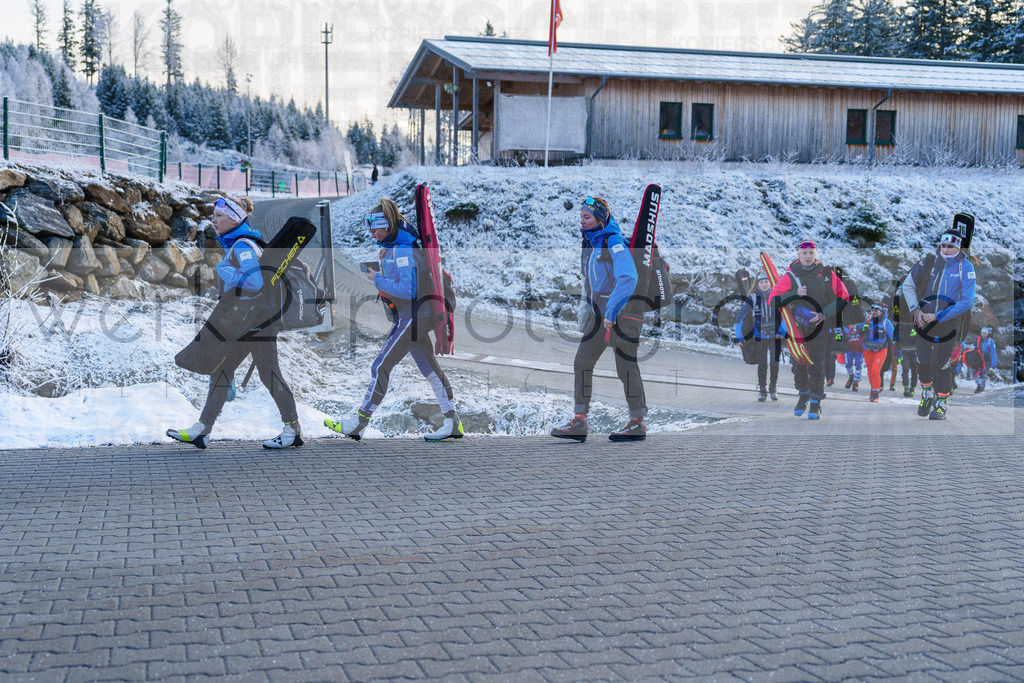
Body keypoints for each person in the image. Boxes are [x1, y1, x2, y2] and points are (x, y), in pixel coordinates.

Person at [167, 196, 302, 450]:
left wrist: (225, 271)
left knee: (269, 374)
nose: (213, 220)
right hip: (249, 322)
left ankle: (293, 429)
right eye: (213, 215)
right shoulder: (244, 242)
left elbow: (256, 283)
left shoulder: (242, 245)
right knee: (223, 370)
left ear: (235, 217)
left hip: (256, 324)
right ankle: (202, 429)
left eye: (218, 216)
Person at [325, 198, 462, 440]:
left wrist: (376, 278)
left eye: (374, 229)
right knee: (429, 368)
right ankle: (452, 423)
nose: (372, 234)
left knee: (380, 366)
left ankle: (358, 423)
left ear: (387, 226)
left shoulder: (402, 251)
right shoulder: (399, 246)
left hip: (413, 317)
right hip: (418, 315)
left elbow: (407, 291)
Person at [551, 196, 647, 442]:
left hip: (621, 314)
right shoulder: (594, 242)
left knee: (625, 367)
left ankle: (637, 422)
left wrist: (612, 311)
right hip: (599, 314)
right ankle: (579, 421)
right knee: (582, 362)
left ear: (600, 219)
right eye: (580, 216)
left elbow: (628, 277)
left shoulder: (612, 241)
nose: (581, 221)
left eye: (587, 217)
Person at [900, 229, 977, 420]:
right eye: (943, 245)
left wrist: (939, 316)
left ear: (958, 246)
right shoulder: (928, 261)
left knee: (942, 364)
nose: (946, 249)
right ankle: (926, 393)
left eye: (950, 246)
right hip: (923, 319)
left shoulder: (965, 267)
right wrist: (915, 310)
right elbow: (907, 285)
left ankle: (941, 403)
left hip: (948, 321)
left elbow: (967, 301)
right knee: (922, 360)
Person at [769, 239, 849, 420]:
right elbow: (773, 300)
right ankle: (803, 393)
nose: (808, 256)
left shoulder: (826, 273)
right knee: (798, 365)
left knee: (817, 364)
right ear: (798, 254)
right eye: (804, 253)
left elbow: (843, 296)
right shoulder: (791, 276)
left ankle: (815, 402)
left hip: (820, 328)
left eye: (811, 253)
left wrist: (824, 314)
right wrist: (794, 294)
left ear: (816, 254)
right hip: (797, 329)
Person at [734, 272, 787, 402]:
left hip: (775, 337)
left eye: (766, 281)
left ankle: (773, 388)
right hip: (759, 337)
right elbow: (739, 318)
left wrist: (781, 331)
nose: (764, 284)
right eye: (761, 282)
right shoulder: (752, 298)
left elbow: (786, 316)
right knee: (762, 364)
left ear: (770, 283)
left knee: (774, 363)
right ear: (758, 284)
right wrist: (739, 337)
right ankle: (762, 390)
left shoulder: (777, 296)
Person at [859, 303, 895, 402]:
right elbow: (857, 328)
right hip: (867, 349)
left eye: (876, 310)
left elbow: (894, 337)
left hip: (881, 350)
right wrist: (863, 327)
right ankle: (873, 388)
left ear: (881, 311)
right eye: (872, 310)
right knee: (870, 373)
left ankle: (875, 393)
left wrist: (898, 350)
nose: (874, 312)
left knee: (875, 371)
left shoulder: (886, 322)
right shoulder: (868, 320)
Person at [962, 326, 997, 393]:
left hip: (986, 361)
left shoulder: (990, 341)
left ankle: (982, 388)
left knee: (982, 374)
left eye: (985, 333)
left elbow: (993, 353)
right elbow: (973, 346)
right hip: (978, 359)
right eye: (982, 333)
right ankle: (979, 385)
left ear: (987, 334)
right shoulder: (978, 339)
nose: (983, 334)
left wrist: (993, 364)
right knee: (975, 373)